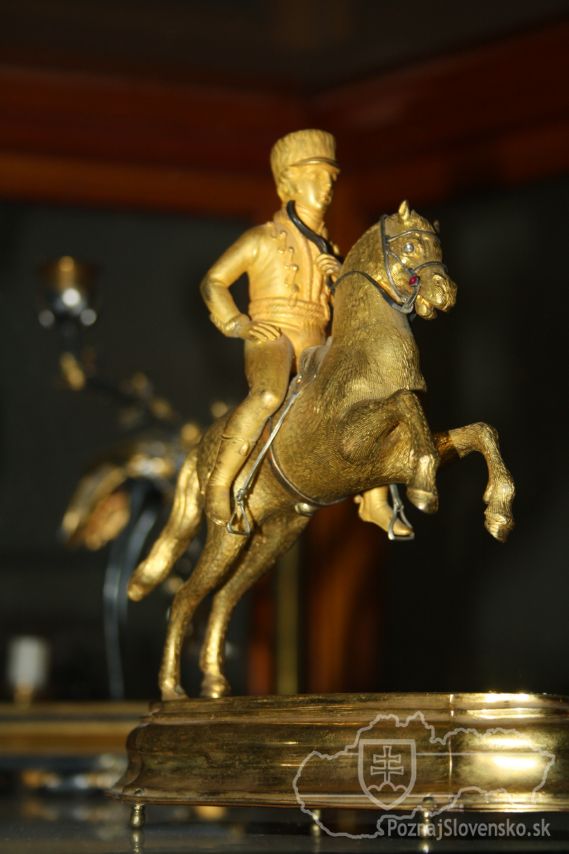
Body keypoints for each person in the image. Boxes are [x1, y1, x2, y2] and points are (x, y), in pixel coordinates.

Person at [201, 128, 412, 538]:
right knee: (267, 395)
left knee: (369, 398)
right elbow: (214, 282)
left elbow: (352, 312)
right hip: (273, 336)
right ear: (290, 182)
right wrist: (238, 323)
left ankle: (374, 500)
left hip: (317, 341)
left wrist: (341, 280)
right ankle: (219, 484)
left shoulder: (331, 252)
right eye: (315, 175)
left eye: (331, 176)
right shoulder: (262, 239)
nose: (327, 185)